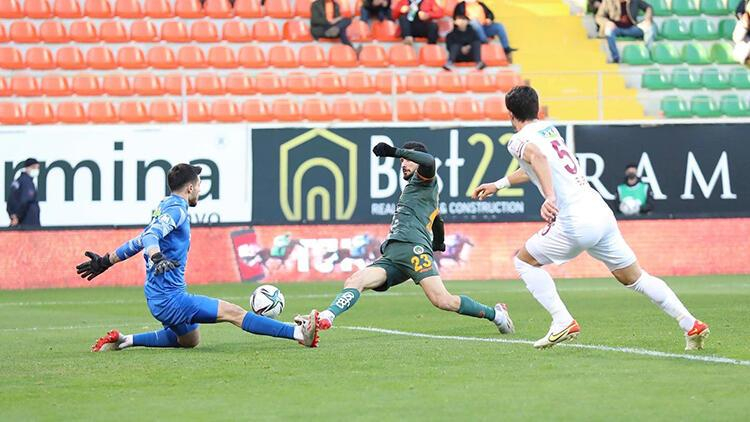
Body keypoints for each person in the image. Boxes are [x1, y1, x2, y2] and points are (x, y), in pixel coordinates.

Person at [472, 86, 709, 351]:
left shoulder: (517, 140)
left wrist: (549, 197)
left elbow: (536, 158)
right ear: (537, 108)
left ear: (511, 114)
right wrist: (500, 183)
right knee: (635, 277)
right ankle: (690, 323)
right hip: (599, 211)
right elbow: (536, 165)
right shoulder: (549, 131)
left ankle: (561, 320)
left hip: (575, 218)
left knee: (524, 261)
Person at [79, 163, 320, 352]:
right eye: (200, 185)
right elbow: (151, 237)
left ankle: (124, 341)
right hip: (170, 299)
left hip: (156, 298)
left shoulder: (164, 206)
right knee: (233, 312)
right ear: (191, 188)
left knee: (189, 340)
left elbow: (140, 239)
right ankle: (299, 334)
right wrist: (156, 256)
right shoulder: (176, 210)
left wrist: (105, 262)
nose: (201, 190)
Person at [313, 142, 514, 334]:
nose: (404, 164)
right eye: (401, 162)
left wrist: (395, 151)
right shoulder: (420, 192)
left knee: (443, 300)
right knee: (356, 280)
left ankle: (497, 315)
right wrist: (439, 242)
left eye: (408, 159)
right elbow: (438, 220)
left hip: (413, 250)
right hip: (392, 256)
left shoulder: (425, 180)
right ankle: (327, 315)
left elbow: (429, 162)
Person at [6, 158, 40, 228]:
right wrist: (17, 217)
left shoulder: (18, 181)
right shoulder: (27, 182)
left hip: (21, 221)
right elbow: (25, 201)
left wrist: (12, 215)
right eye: (33, 167)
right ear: (27, 168)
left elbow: (9, 202)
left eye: (37, 168)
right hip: (28, 221)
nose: (36, 170)